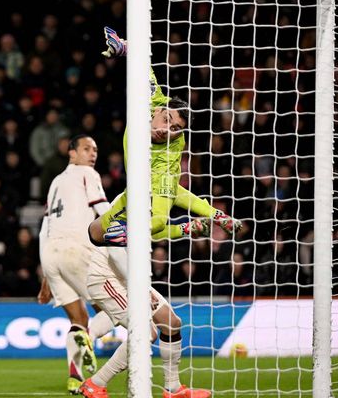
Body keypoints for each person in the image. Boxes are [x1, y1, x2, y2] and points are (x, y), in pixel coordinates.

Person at [88, 27, 242, 246]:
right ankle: (170, 230)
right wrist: (124, 47)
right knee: (94, 232)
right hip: (129, 199)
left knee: (133, 229)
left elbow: (164, 204)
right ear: (159, 111)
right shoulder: (152, 101)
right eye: (167, 119)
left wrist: (215, 215)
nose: (166, 129)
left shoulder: (169, 153)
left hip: (140, 204)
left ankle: (131, 236)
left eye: (176, 128)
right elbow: (142, 65)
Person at [79, 208, 212, 398]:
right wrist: (140, 289)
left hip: (128, 276)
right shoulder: (120, 212)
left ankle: (173, 389)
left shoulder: (144, 207)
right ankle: (95, 384)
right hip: (105, 279)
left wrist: (187, 228)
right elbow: (115, 255)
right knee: (145, 333)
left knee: (171, 322)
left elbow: (157, 231)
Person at [37, 134, 115, 394]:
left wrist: (46, 276)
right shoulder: (88, 174)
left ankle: (75, 377)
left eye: (95, 149)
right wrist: (125, 229)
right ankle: (90, 340)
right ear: (72, 153)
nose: (92, 154)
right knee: (113, 308)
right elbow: (103, 208)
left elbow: (45, 227)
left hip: (51, 254)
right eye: (86, 148)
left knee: (78, 318)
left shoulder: (56, 181)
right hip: (75, 248)